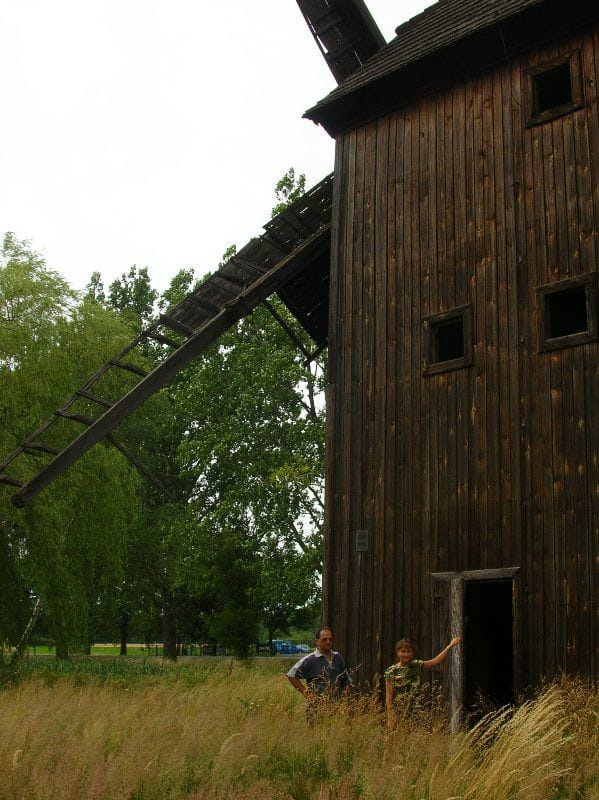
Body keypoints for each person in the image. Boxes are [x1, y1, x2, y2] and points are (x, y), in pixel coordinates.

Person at [385, 636, 462, 726]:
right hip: (399, 710)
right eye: (403, 651)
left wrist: (450, 646)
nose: (406, 654)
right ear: (397, 653)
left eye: (409, 651)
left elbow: (436, 661)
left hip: (415, 709)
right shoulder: (391, 671)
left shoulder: (416, 665)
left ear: (412, 653)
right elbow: (389, 695)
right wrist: (390, 715)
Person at [287, 627, 351, 707]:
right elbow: (291, 675)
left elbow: (347, 680)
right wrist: (306, 693)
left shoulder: (338, 658)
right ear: (317, 641)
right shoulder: (310, 660)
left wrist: (344, 701)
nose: (328, 642)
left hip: (336, 710)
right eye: (324, 639)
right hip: (316, 710)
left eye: (330, 639)